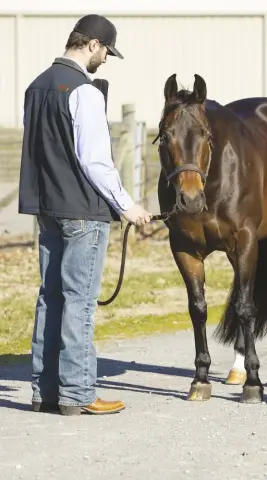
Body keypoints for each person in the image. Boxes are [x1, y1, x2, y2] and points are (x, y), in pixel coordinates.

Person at [18, 14, 152, 415]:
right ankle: (78, 392)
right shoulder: (86, 92)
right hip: (83, 211)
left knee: (51, 297)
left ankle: (45, 391)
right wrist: (126, 205)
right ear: (92, 44)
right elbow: (95, 161)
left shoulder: (35, 87)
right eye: (107, 51)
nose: (106, 60)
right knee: (80, 302)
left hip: (47, 207)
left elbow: (44, 152)